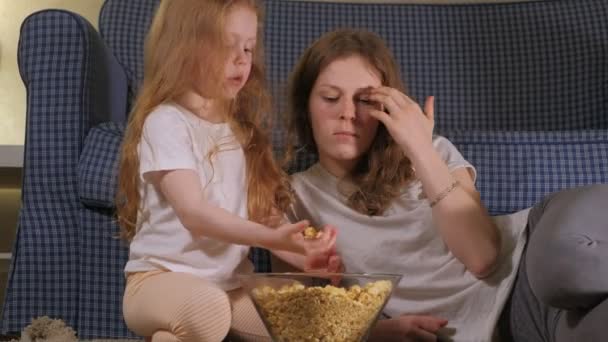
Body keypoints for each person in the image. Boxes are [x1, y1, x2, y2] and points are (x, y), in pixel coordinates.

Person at [284, 28, 608, 342]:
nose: (348, 114)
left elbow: (482, 256)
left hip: (537, 248)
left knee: (569, 267)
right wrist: (372, 333)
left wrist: (419, 148)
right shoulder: (295, 196)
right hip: (515, 321)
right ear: (305, 104)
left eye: (366, 100)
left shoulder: (431, 149)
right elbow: (295, 319)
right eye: (330, 98)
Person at [115, 1, 337, 341]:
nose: (242, 59)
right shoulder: (166, 121)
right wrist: (270, 239)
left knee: (307, 313)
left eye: (248, 47)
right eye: (225, 45)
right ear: (182, 47)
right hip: (157, 282)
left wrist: (301, 251)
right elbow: (195, 215)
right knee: (209, 310)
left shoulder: (240, 131)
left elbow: (265, 217)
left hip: (228, 288)